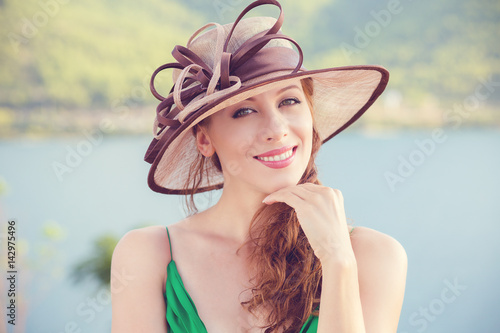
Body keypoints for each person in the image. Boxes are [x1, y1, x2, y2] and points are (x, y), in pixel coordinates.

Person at [110, 1, 407, 332]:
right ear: (205, 140)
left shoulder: (374, 257)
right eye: (244, 111)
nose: (277, 129)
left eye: (289, 101)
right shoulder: (150, 255)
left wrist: (337, 260)